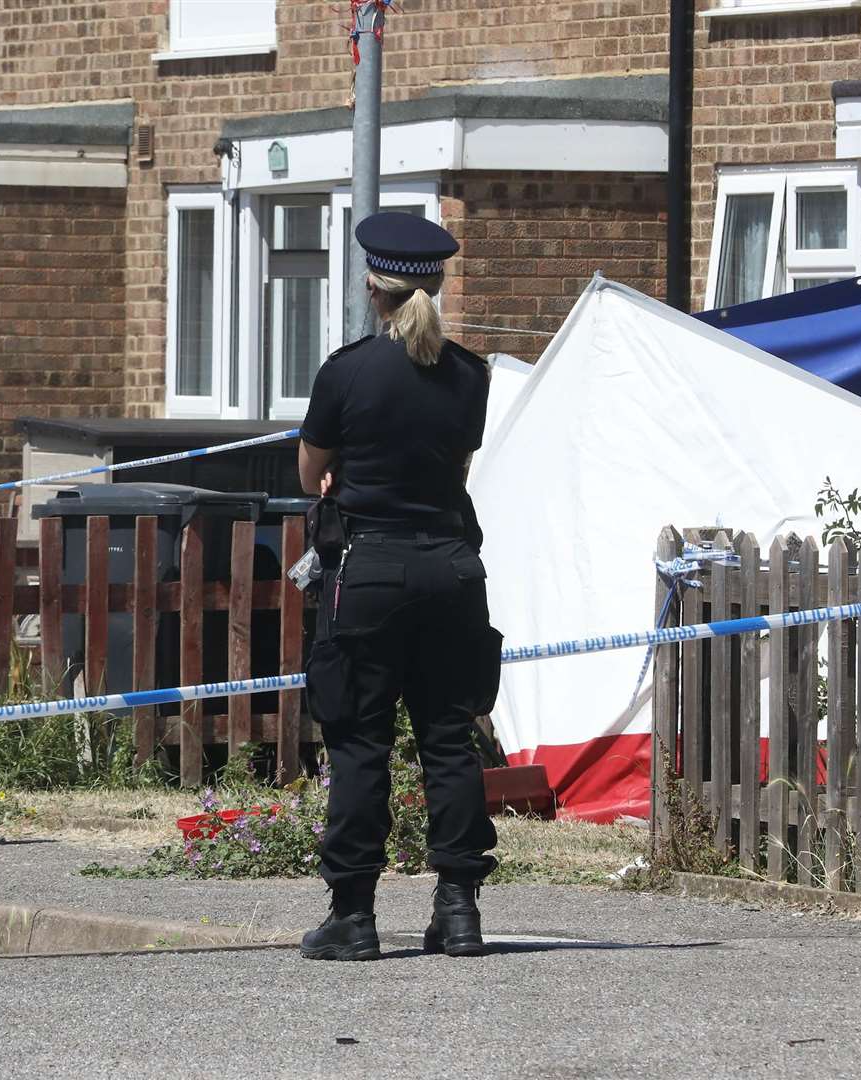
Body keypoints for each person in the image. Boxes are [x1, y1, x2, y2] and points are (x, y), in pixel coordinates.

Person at [297, 213, 502, 961]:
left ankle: (352, 916)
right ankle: (457, 911)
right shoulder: (470, 375)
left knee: (359, 743)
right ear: (437, 284)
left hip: (370, 569)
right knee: (449, 740)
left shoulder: (344, 371)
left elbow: (309, 473)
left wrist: (342, 474)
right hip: (451, 570)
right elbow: (455, 474)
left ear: (370, 287)